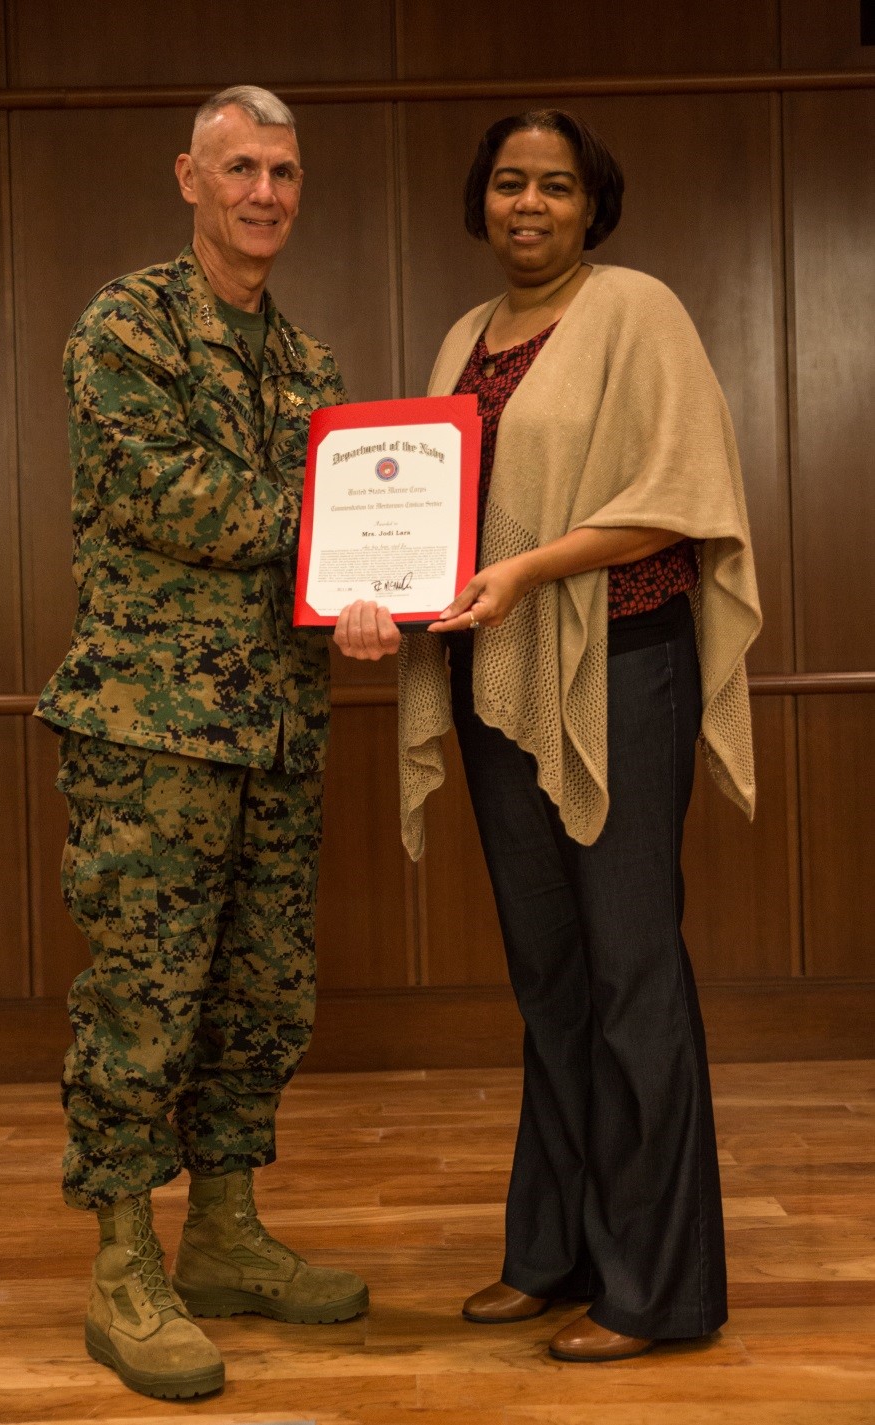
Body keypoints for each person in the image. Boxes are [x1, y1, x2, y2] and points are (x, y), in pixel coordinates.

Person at [334, 109, 761, 1363]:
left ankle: (657, 1288)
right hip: (494, 675)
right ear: (482, 201)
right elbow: (426, 503)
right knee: (550, 979)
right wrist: (385, 590)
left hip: (620, 670)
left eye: (555, 187)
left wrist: (526, 571)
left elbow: (678, 501)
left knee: (630, 972)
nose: (529, 204)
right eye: (510, 184)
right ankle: (556, 1251)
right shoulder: (464, 336)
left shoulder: (638, 312)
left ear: (591, 205)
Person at [35, 84, 368, 1401]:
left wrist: (361, 606)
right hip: (153, 729)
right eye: (240, 167)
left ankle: (223, 1228)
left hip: (279, 729)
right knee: (144, 998)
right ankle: (124, 1258)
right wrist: (330, 524)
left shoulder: (313, 368)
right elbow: (156, 487)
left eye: (283, 171)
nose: (264, 193)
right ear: (190, 177)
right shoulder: (127, 324)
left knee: (260, 993)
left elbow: (313, 554)